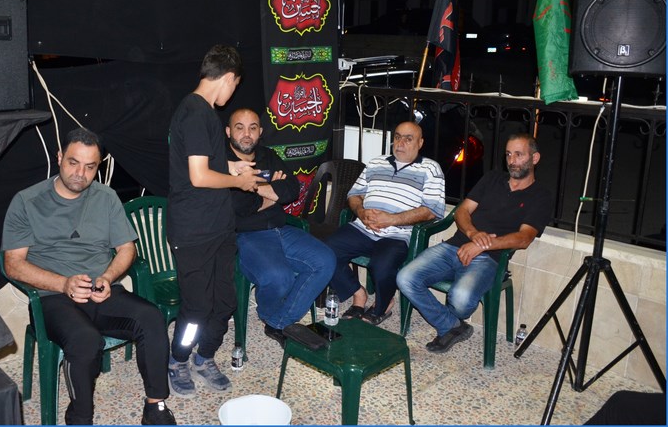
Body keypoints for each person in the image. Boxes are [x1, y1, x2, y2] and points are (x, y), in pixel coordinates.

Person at [1, 128, 175, 425]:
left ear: (99, 166)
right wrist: (63, 284)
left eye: (90, 166)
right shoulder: (27, 201)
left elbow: (127, 249)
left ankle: (155, 406)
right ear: (59, 157)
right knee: (85, 341)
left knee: (151, 317)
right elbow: (13, 265)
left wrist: (108, 276)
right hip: (52, 298)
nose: (80, 173)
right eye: (73, 162)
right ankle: (80, 418)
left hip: (100, 291)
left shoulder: (106, 197)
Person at [166, 45, 263, 398]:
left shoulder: (205, 112)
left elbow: (208, 163)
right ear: (228, 78)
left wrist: (232, 167)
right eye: (234, 85)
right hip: (193, 230)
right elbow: (198, 176)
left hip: (219, 227)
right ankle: (178, 360)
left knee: (224, 302)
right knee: (196, 308)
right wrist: (239, 182)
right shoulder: (194, 113)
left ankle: (204, 357)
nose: (233, 92)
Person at [397, 132, 553, 353]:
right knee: (405, 277)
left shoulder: (541, 196)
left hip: (490, 259)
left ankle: (451, 324)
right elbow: (462, 211)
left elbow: (524, 238)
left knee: (461, 301)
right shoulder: (492, 179)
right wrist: (472, 234)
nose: (512, 160)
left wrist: (481, 245)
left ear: (534, 158)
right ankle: (452, 326)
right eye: (508, 154)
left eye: (519, 155)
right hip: (454, 247)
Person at [226, 108, 336, 347]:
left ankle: (278, 321)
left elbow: (292, 190)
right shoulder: (222, 164)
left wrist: (254, 186)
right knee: (280, 277)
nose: (247, 134)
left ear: (260, 131)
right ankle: (272, 315)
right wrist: (271, 190)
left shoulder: (268, 155)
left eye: (253, 128)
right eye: (239, 127)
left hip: (281, 228)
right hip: (246, 235)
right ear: (228, 132)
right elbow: (239, 207)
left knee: (325, 260)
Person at [327, 121, 446, 325]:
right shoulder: (376, 162)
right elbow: (354, 195)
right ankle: (358, 294)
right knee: (326, 251)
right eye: (397, 137)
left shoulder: (430, 169)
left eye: (408, 139)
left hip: (397, 234)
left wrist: (392, 219)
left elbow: (431, 210)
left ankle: (383, 305)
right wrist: (361, 212)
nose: (400, 142)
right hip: (364, 228)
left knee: (381, 265)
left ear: (420, 143)